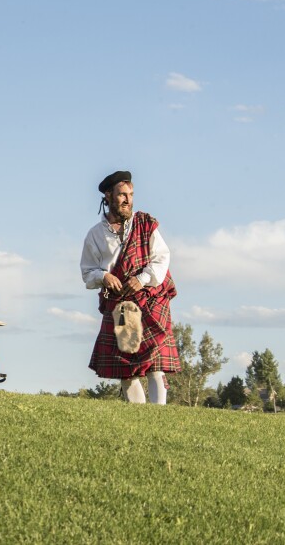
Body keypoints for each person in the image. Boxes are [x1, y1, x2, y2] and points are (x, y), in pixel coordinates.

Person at [80, 170, 179, 404]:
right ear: (108, 196)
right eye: (122, 195)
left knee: (155, 361)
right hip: (121, 304)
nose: (127, 200)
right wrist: (103, 276)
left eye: (131, 195)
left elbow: (162, 257)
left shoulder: (145, 224)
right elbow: (87, 273)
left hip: (149, 297)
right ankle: (139, 416)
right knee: (126, 366)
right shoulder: (95, 235)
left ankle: (159, 416)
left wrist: (143, 278)